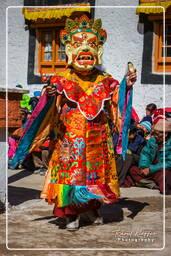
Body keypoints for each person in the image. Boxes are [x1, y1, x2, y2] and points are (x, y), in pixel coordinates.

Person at [9, 15, 136, 230]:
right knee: (72, 176)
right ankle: (70, 215)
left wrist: (127, 84)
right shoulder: (60, 79)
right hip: (69, 138)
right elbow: (47, 107)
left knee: (95, 175)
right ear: (69, 50)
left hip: (98, 137)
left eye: (91, 45)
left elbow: (117, 101)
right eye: (78, 44)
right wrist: (49, 95)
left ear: (98, 51)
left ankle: (93, 208)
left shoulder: (105, 80)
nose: (85, 50)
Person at [128, 118, 171, 194]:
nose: (155, 136)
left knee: (165, 175)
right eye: (154, 133)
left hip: (160, 170)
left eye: (157, 134)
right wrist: (144, 166)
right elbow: (145, 153)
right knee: (133, 170)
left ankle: (148, 183)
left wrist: (150, 169)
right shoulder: (152, 140)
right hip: (149, 169)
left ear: (165, 134)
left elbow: (168, 163)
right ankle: (153, 184)